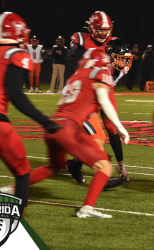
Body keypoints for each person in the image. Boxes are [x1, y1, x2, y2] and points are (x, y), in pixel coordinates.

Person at [2, 49, 130, 218]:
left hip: (53, 126)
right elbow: (105, 102)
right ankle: (87, 208)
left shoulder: (76, 76)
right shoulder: (99, 74)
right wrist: (120, 127)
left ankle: (11, 189)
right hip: (69, 129)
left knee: (56, 166)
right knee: (104, 165)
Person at [0, 12, 61, 217]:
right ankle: (15, 227)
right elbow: (17, 96)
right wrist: (45, 121)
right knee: (23, 172)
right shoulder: (14, 54)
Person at [69, 11, 130, 183]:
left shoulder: (114, 42)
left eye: (106, 30)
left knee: (112, 128)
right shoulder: (80, 40)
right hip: (88, 93)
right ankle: (77, 166)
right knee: (96, 139)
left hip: (106, 89)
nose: (104, 33)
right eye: (100, 30)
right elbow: (77, 65)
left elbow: (119, 65)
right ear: (91, 28)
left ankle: (121, 165)